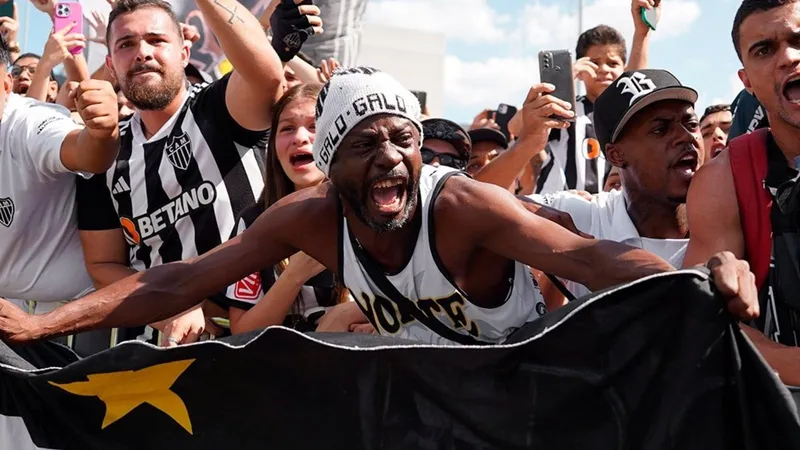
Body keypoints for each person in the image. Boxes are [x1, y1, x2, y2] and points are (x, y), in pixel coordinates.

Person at [0, 67, 758, 347]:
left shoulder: (460, 204)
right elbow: (177, 280)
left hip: (525, 375)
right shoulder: (310, 218)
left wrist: (699, 278)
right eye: (367, 144)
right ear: (332, 168)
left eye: (405, 139)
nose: (394, 156)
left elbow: (591, 258)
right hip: (429, 386)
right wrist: (40, 323)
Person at [74, 0, 320, 347]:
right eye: (126, 44)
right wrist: (171, 309)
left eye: (157, 40)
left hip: (258, 337)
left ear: (185, 52)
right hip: (160, 347)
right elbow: (102, 264)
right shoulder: (104, 150)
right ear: (111, 67)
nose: (142, 52)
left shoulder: (218, 108)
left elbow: (266, 78)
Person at [682, 0, 800, 385]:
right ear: (746, 80)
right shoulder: (725, 180)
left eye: (799, 39)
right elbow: (703, 325)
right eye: (765, 50)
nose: (788, 58)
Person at [529, 69, 701, 307]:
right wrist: (585, 255)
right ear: (616, 155)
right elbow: (467, 203)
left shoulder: (738, 217)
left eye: (691, 123)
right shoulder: (583, 216)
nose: (685, 136)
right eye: (660, 129)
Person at [215, 83, 360, 335]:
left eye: (315, 126)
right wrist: (294, 275)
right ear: (273, 147)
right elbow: (243, 332)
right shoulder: (253, 221)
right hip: (280, 369)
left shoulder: (369, 214)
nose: (300, 138)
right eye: (287, 128)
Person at [478, 0, 657, 195]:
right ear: (581, 66)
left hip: (607, 214)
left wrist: (642, 33)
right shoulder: (564, 107)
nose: (604, 69)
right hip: (557, 212)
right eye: (595, 62)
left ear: (624, 68)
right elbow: (516, 127)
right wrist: (565, 77)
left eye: (612, 63)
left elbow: (636, 83)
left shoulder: (623, 113)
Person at [0, 30, 120, 314]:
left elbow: (86, 154)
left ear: (6, 86)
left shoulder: (28, 123)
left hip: (69, 321)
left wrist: (103, 133)